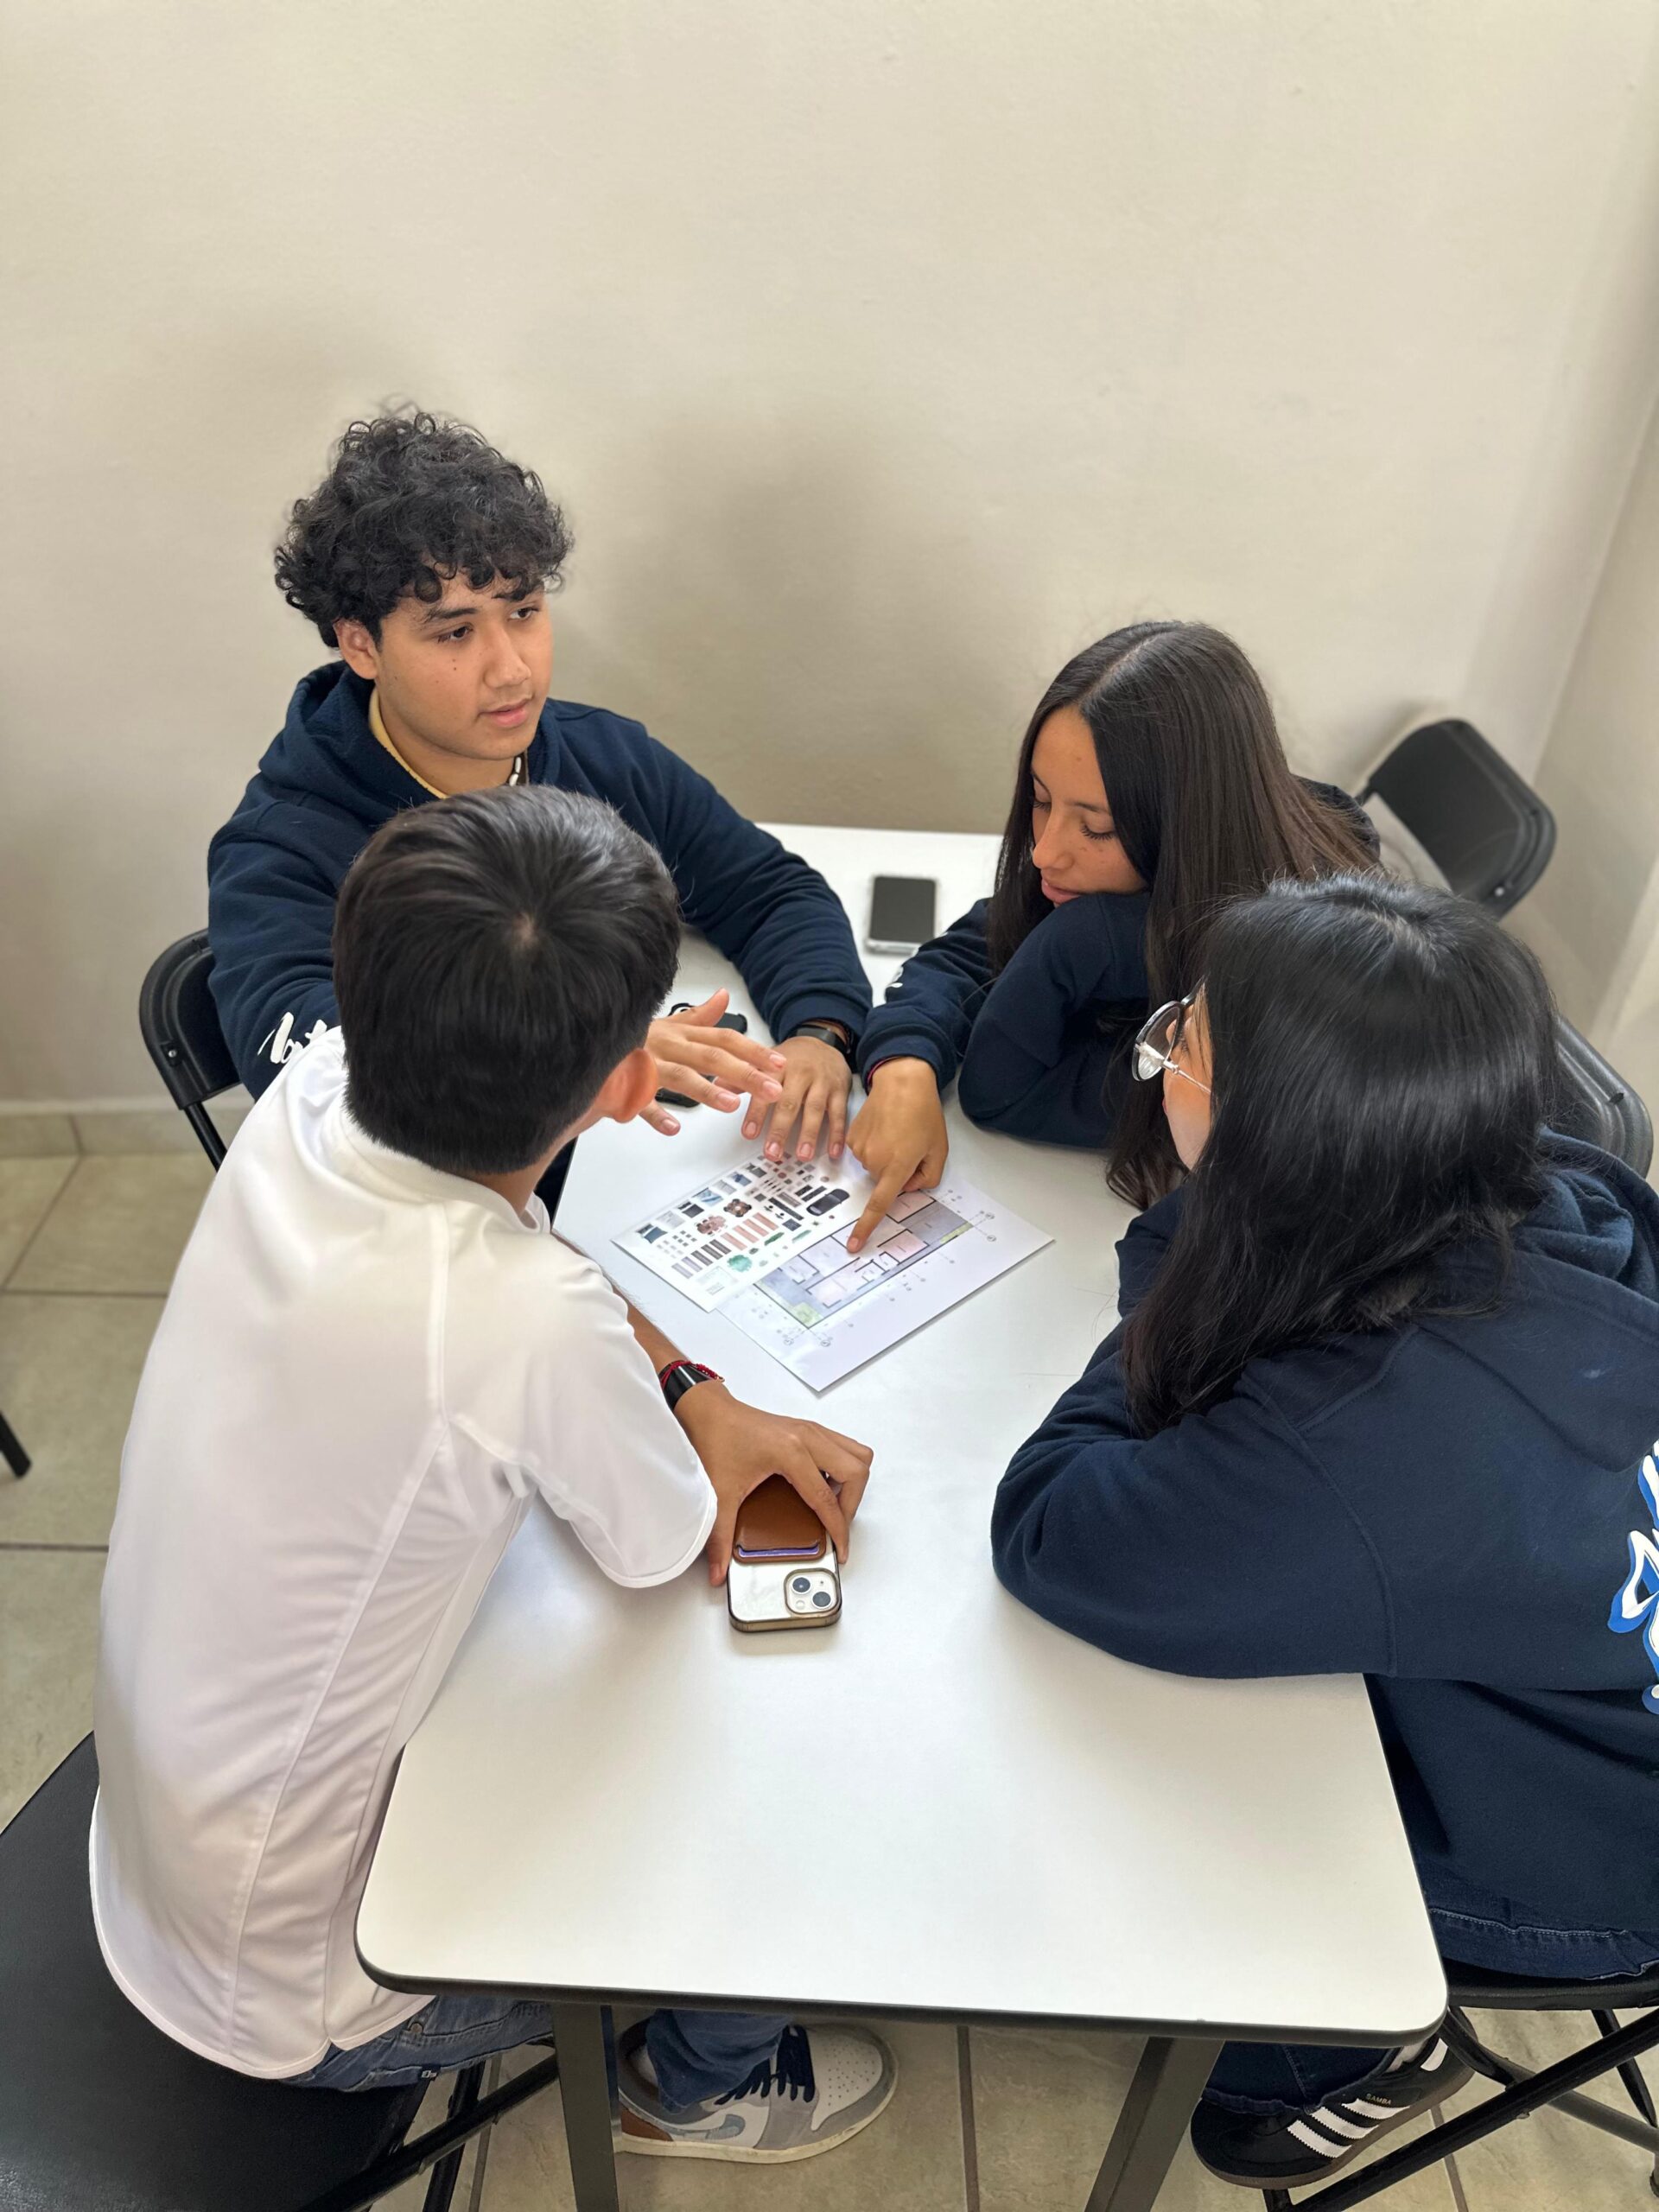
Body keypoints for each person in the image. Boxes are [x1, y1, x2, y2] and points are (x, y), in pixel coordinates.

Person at [94, 785, 894, 2164]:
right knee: (800, 1807)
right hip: (314, 1993)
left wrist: (672, 1383)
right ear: (627, 1086)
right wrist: (689, 1396)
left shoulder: (312, 1091)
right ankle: (692, 2089)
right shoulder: (520, 1316)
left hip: (161, 1847)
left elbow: (506, 1278)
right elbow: (657, 1544)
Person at [990, 874, 1659, 2193]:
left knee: (1165, 1778)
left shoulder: (1367, 1440)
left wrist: (1200, 1243)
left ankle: (1324, 2058)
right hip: (1590, 1724)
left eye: (1186, 1042)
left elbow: (1053, 1525)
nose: (1164, 1056)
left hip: (1592, 1871)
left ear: (1278, 1136)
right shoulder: (1564, 1182)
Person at [208, 410, 869, 1195]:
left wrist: (819, 1034)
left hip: (635, 1181)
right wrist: (596, 1065)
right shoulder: (282, 849)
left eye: (523, 612)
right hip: (447, 1224)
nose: (512, 670)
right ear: (361, 645)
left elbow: (769, 892)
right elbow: (318, 1089)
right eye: (455, 633)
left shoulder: (602, 754)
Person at [844, 621, 1375, 1252]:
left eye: (1096, 828)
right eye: (1041, 800)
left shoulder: (1257, 1014)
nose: (1044, 853)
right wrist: (904, 1064)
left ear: (1188, 827)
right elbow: (974, 949)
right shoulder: (1112, 877)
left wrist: (1088, 937)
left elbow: (1000, 1090)